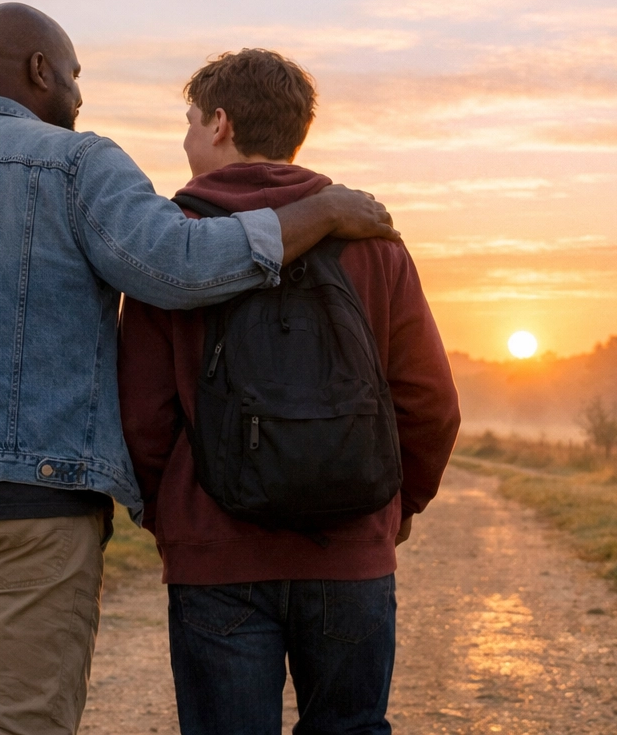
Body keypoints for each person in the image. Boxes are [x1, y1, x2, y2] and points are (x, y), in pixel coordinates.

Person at [0, 5, 398, 735]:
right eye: (74, 77)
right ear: (41, 70)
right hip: (32, 509)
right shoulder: (76, 163)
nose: (78, 98)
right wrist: (317, 212)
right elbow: (174, 264)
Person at [117, 48, 460, 735]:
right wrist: (398, 505)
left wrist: (175, 519)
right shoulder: (371, 238)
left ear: (219, 123)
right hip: (350, 544)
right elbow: (428, 402)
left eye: (189, 124)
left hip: (215, 554)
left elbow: (142, 415)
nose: (186, 141)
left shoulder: (175, 246)